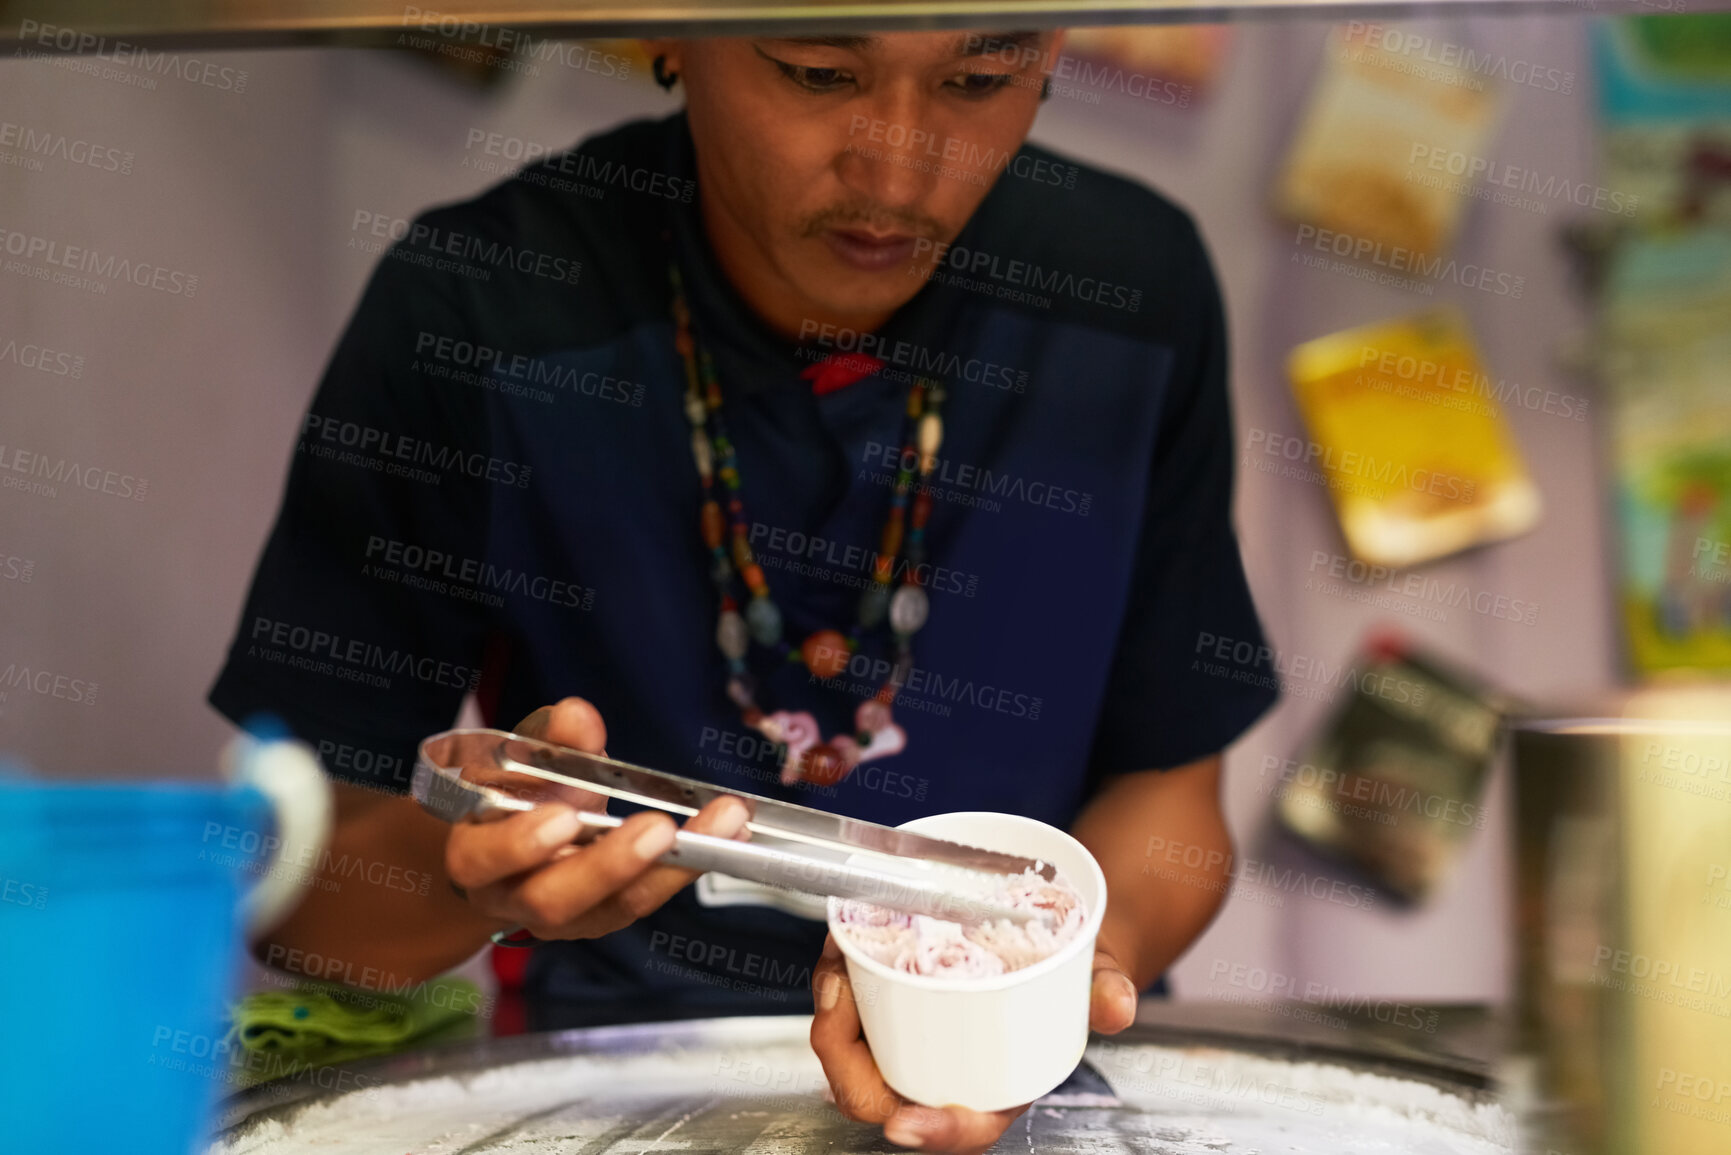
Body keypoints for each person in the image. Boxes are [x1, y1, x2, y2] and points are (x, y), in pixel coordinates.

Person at [210, 29, 1278, 1155]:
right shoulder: (479, 313)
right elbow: (312, 903)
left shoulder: (1129, 293)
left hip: (1047, 1091)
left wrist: (1052, 987)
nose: (898, 173)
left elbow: (1175, 806)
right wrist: (469, 877)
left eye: (978, 80)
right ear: (674, 26)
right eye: (819, 73)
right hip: (615, 1097)